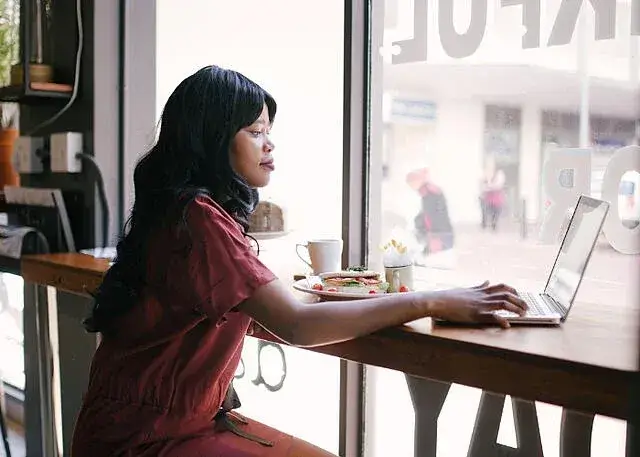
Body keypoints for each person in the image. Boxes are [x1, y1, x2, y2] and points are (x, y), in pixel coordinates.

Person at [70, 65, 527, 457]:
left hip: (133, 427)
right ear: (211, 140)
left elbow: (272, 314)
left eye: (269, 132)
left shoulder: (185, 211)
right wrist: (431, 302)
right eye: (255, 132)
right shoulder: (198, 218)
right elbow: (296, 325)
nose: (269, 145)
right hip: (147, 442)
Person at [407, 168, 455, 256]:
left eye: (411, 183)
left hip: (439, 235)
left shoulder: (429, 192)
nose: (411, 187)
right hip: (440, 233)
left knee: (430, 258)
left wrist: (433, 236)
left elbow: (432, 216)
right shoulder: (428, 191)